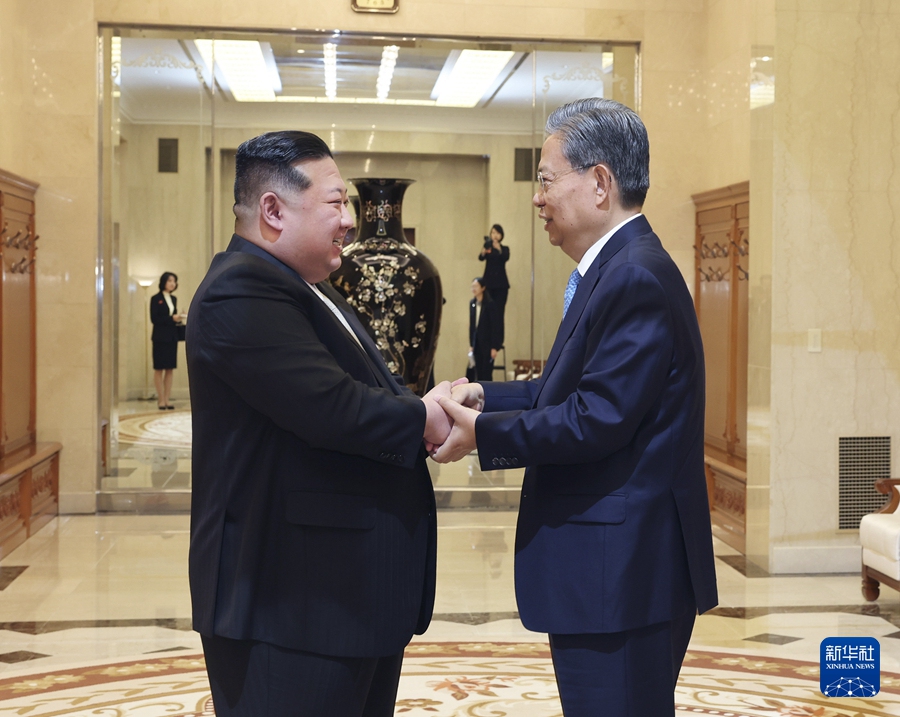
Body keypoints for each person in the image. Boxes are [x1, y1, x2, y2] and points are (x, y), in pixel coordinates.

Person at [432, 99, 718, 716]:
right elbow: (565, 389)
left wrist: (483, 434)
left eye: (545, 179)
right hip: (613, 575)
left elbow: (597, 419)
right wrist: (485, 396)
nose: (537, 199)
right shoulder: (612, 270)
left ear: (600, 183)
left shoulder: (633, 276)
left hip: (622, 575)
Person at [186, 130, 454, 717]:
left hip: (341, 598)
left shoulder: (305, 286)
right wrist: (425, 417)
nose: (350, 221)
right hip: (290, 606)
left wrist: (425, 404)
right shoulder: (240, 289)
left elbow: (362, 392)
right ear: (273, 210)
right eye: (335, 203)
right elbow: (332, 407)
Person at [149, 271, 186, 410]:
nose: (172, 283)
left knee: (170, 369)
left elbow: (173, 318)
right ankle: (160, 400)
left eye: (174, 281)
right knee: (159, 368)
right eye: (170, 280)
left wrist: (179, 317)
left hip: (171, 337)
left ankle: (167, 399)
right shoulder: (155, 298)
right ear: (164, 282)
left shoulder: (173, 299)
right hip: (159, 337)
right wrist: (172, 318)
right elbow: (154, 319)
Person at [477, 223, 509, 346]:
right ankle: (487, 339)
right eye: (493, 232)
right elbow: (480, 257)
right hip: (488, 285)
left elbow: (505, 257)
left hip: (501, 286)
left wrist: (498, 248)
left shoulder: (504, 249)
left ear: (501, 235)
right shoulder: (488, 247)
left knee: (499, 312)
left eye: (497, 233)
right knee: (488, 311)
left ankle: (498, 341)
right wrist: (484, 250)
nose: (494, 235)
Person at [468, 277, 501, 382]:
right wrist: (471, 345)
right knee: (477, 372)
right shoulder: (472, 303)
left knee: (486, 372)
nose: (474, 289)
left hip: (487, 344)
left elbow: (495, 326)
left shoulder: (490, 304)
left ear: (483, 288)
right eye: (472, 286)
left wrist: (494, 347)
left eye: (476, 286)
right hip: (476, 343)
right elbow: (472, 326)